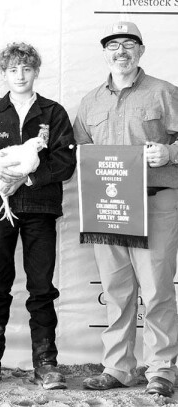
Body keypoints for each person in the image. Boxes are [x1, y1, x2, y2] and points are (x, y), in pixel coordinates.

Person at [0, 42, 76, 389]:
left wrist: (27, 177)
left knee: (40, 288)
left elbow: (65, 163)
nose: (20, 76)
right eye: (12, 70)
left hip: (40, 210)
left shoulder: (53, 113)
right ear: (3, 74)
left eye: (26, 69)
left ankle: (46, 362)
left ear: (36, 71)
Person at [74, 21, 178, 398]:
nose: (121, 51)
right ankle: (119, 368)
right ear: (104, 53)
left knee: (157, 290)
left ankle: (161, 370)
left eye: (129, 44)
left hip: (156, 201)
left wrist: (170, 152)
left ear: (141, 50)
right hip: (109, 206)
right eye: (113, 45)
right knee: (117, 290)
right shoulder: (90, 102)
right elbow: (80, 153)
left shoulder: (165, 93)